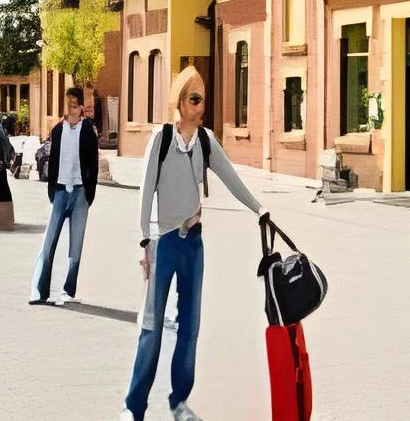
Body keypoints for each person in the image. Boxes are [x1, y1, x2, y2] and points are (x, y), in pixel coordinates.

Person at [122, 66, 263, 421]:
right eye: (195, 99)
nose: (201, 107)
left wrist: (259, 209)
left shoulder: (205, 141)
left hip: (193, 245)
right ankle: (134, 407)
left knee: (190, 326)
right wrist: (144, 238)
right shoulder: (161, 140)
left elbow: (231, 178)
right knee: (152, 327)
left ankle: (179, 402)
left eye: (203, 100)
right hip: (163, 242)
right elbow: (146, 190)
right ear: (180, 102)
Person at [29, 87, 98, 305]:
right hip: (60, 191)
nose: (71, 108)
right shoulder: (58, 130)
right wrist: (52, 191)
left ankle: (68, 290)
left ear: (81, 107)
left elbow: (93, 164)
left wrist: (89, 195)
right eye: (68, 104)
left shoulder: (88, 131)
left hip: (80, 192)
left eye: (74, 105)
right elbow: (53, 162)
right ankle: (40, 292)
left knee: (75, 246)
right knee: (49, 242)